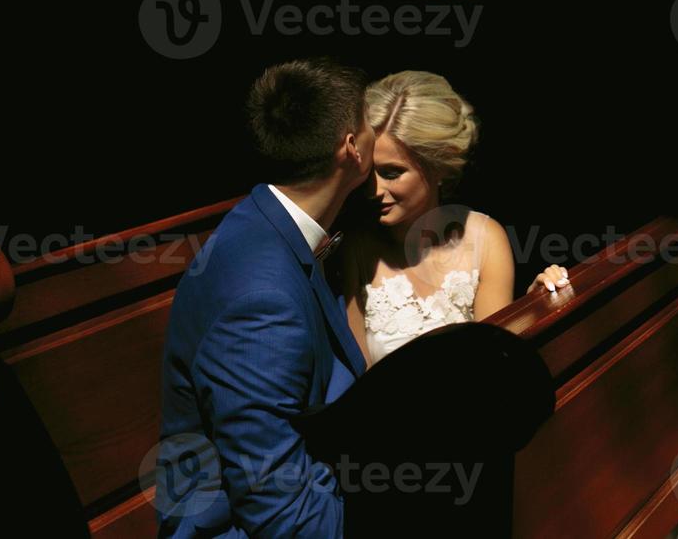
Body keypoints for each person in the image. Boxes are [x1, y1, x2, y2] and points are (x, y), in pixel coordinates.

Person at [158, 58, 374, 538]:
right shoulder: (261, 301)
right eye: (369, 121)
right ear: (353, 147)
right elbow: (278, 508)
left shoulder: (264, 218)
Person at [333, 70, 569, 368]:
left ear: (439, 166)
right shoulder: (354, 249)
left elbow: (495, 366)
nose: (375, 190)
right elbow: (357, 387)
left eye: (392, 172)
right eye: (369, 172)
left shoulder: (484, 238)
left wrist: (531, 311)